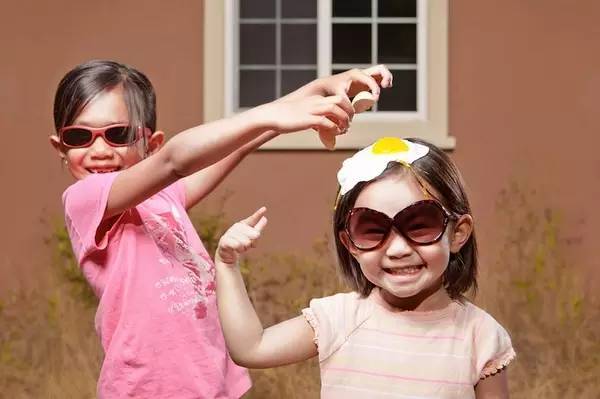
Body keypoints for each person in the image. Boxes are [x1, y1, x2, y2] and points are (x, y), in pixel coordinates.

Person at [49, 59, 393, 398]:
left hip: (211, 380)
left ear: (149, 144)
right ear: (60, 148)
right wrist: (270, 117)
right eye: (79, 136)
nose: (98, 151)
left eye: (117, 134)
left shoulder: (162, 198)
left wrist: (320, 88)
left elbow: (245, 139)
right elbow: (175, 161)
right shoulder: (84, 199)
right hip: (148, 389)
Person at [216, 137, 516, 398]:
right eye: (372, 229)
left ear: (458, 233)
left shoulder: (481, 335)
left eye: (421, 225)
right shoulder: (338, 319)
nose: (398, 249)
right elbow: (251, 348)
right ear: (350, 244)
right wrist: (227, 266)